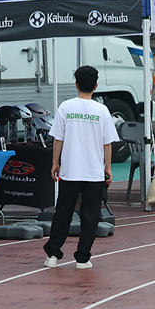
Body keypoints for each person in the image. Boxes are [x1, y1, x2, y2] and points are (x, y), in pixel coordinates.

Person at [42, 65, 117, 271]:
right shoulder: (102, 110)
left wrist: (55, 163)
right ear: (96, 86)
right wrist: (108, 168)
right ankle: (83, 258)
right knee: (90, 216)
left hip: (70, 170)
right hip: (93, 172)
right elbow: (107, 143)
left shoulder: (65, 107)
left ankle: (53, 255)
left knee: (63, 213)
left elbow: (58, 139)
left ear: (76, 84)